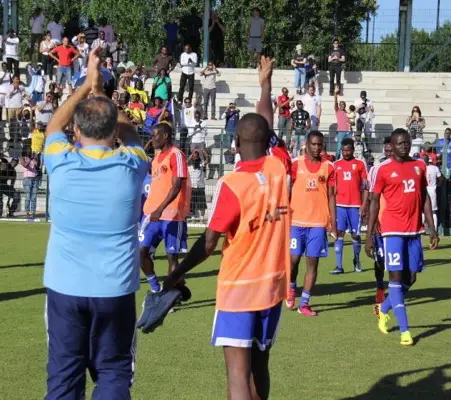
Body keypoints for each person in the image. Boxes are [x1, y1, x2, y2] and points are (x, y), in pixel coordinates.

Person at [163, 56, 289, 400]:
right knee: (260, 366)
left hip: (239, 289)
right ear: (267, 141)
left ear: (235, 144)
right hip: (273, 286)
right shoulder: (280, 169)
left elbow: (207, 244)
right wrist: (265, 84)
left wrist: (176, 273)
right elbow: (263, 122)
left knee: (237, 373)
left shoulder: (233, 185)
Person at [43, 46, 148, 399]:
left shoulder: (61, 161)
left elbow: (53, 124)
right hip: (115, 289)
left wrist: (87, 84)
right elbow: (130, 133)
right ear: (113, 129)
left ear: (76, 129)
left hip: (65, 287)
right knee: (114, 371)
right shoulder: (131, 165)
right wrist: (101, 90)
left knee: (64, 374)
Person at [365, 128, 439, 347]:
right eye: (400, 143)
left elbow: (424, 197)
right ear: (392, 146)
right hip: (392, 231)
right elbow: (375, 202)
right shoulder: (383, 169)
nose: (404, 146)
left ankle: (384, 308)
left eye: (406, 142)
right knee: (395, 280)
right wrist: (369, 235)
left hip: (414, 231)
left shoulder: (419, 166)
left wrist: (432, 228)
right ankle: (405, 331)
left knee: (412, 278)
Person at [285, 131, 336, 316]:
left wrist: (333, 222)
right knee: (293, 261)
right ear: (307, 143)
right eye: (313, 144)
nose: (316, 148)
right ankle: (291, 288)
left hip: (318, 223)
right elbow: (287, 191)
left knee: (312, 263)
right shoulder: (295, 164)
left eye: (319, 145)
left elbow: (331, 196)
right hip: (296, 221)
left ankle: (304, 304)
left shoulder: (329, 167)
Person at [139, 123, 192, 298]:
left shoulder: (176, 155)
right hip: (153, 215)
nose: (152, 139)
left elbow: (177, 186)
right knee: (141, 253)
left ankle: (169, 296)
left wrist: (160, 209)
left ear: (165, 136)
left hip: (172, 216)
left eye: (155, 136)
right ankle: (156, 288)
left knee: (172, 258)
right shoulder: (156, 158)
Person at [331, 138, 368, 275]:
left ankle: (357, 260)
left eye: (348, 150)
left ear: (353, 150)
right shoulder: (335, 165)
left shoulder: (360, 164)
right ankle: (339, 265)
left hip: (355, 205)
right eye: (344, 150)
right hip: (340, 205)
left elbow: (365, 186)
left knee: (355, 235)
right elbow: (332, 188)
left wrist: (364, 205)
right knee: (339, 234)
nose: (346, 153)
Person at [365, 137, 393, 312]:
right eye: (387, 150)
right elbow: (371, 198)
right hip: (380, 223)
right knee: (380, 260)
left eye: (392, 150)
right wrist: (372, 221)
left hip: (396, 226)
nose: (389, 153)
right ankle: (380, 287)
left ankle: (395, 292)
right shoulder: (377, 169)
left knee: (396, 264)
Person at [424, 155, 441, 230]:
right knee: (433, 211)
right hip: (432, 190)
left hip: (424, 189)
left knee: (423, 210)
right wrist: (437, 185)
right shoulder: (435, 168)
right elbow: (441, 178)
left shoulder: (421, 168)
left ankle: (423, 229)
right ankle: (435, 229)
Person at [334, 93, 350, 159]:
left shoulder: (347, 113)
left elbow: (349, 122)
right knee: (338, 148)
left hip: (348, 132)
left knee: (347, 148)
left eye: (343, 105)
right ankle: (336, 161)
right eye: (341, 105)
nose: (342, 106)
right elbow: (335, 103)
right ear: (339, 106)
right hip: (340, 132)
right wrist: (335, 94)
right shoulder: (338, 111)